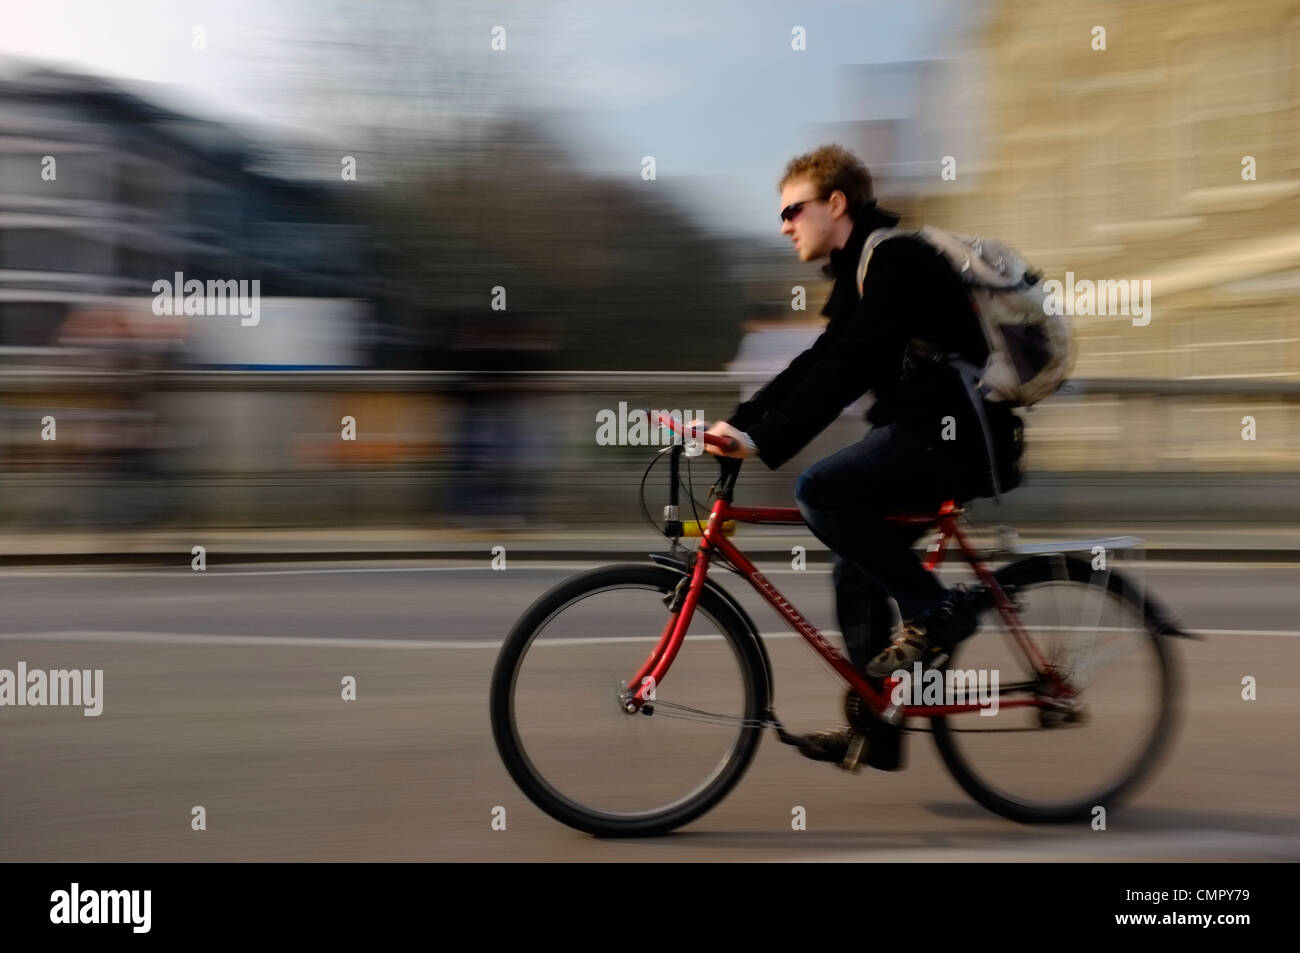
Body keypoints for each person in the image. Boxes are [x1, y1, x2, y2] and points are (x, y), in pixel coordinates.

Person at [703, 145, 1024, 766]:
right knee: (856, 565)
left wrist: (764, 440)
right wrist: (738, 425)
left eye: (793, 210)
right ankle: (880, 725)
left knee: (820, 491)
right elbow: (818, 360)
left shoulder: (895, 260)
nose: (784, 225)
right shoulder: (863, 269)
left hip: (954, 437)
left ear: (836, 203)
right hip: (925, 433)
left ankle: (939, 609)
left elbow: (851, 368)